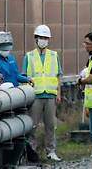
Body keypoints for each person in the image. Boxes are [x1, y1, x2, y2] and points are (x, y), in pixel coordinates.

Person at [23, 24, 62, 162]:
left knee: (51, 125)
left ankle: (51, 151)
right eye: (41, 37)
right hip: (35, 96)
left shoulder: (54, 55)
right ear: (36, 38)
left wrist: (58, 93)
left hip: (50, 95)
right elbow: (24, 77)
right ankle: (31, 152)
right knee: (32, 126)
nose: (43, 40)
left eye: (46, 38)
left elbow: (58, 76)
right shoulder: (29, 56)